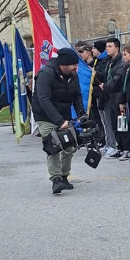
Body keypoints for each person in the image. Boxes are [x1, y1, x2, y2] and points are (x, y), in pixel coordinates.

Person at [32, 47, 86, 194]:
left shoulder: (73, 75)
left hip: (64, 114)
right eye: (74, 64)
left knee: (69, 146)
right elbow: (44, 100)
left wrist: (82, 114)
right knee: (53, 145)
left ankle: (64, 176)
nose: (76, 67)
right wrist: (59, 121)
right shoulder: (45, 74)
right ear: (64, 64)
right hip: (45, 116)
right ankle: (56, 179)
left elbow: (77, 96)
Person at [114, 45, 130, 159]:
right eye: (123, 54)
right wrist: (121, 101)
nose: (123, 57)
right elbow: (123, 85)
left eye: (125, 54)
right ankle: (127, 149)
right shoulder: (126, 68)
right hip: (126, 99)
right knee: (126, 125)